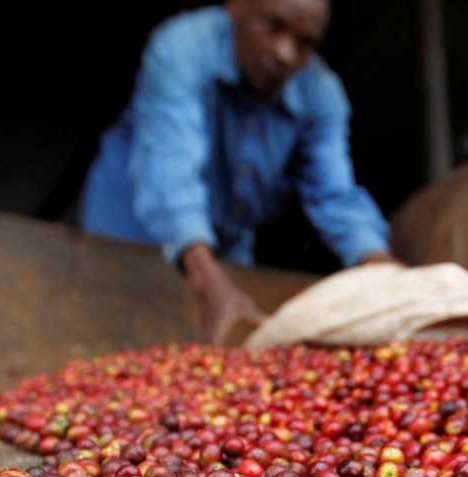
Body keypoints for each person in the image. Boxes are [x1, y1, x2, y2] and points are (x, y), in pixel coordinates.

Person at [80, 0, 396, 342]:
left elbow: (334, 194)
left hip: (227, 238)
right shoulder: (183, 47)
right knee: (113, 334)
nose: (285, 54)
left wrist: (384, 269)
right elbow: (171, 170)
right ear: (237, 8)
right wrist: (207, 282)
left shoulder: (320, 92)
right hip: (131, 224)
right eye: (273, 27)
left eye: (305, 44)